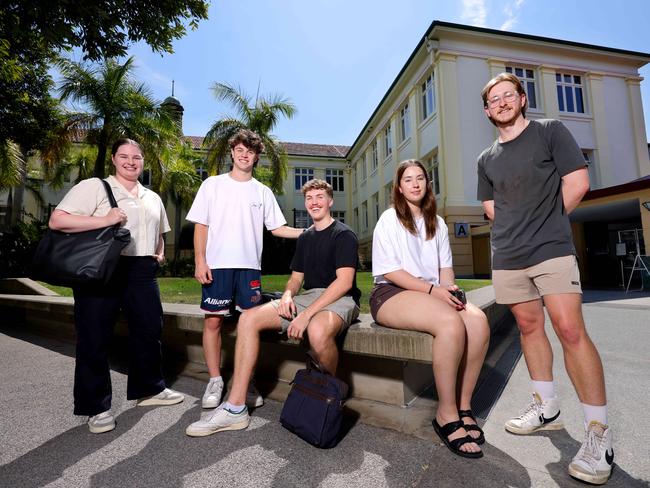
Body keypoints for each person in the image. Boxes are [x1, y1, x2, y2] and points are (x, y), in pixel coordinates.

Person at [477, 72, 612, 484]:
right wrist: (513, 229)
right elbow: (488, 205)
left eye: (506, 95)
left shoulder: (550, 131)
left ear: (521, 99)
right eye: (492, 99)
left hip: (551, 249)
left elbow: (578, 181)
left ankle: (598, 434)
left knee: (570, 329)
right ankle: (546, 407)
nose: (500, 102)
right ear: (487, 110)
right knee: (528, 327)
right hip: (508, 256)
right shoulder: (486, 159)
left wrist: (546, 224)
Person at [186, 178, 360, 437]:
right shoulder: (306, 237)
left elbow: (344, 282)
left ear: (330, 201)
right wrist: (289, 294)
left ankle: (329, 393)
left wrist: (306, 315)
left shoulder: (343, 234)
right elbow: (296, 278)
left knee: (317, 331)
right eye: (309, 198)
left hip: (340, 296)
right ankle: (235, 408)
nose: (314, 202)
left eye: (320, 197)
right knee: (249, 318)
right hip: (309, 296)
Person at [49, 138, 184, 434]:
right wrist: (106, 220)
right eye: (124, 156)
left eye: (137, 157)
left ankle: (149, 390)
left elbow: (160, 231)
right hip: (104, 268)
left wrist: (159, 253)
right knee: (94, 336)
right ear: (113, 159)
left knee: (149, 330)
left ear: (143, 161)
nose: (131, 161)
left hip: (142, 269)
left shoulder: (152, 196)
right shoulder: (96, 187)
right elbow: (57, 221)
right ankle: (96, 406)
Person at [370, 159, 489, 459]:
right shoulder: (389, 219)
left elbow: (445, 270)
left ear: (427, 183)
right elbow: (393, 272)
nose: (415, 183)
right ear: (399, 187)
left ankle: (464, 406)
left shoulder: (436, 222)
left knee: (478, 322)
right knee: (450, 324)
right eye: (408, 179)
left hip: (431, 293)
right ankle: (445, 414)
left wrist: (448, 290)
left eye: (420, 178)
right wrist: (435, 291)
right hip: (391, 293)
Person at [185, 129, 303, 411]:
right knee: (213, 322)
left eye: (250, 151)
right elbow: (202, 225)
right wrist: (200, 261)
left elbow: (277, 228)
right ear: (232, 152)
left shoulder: (262, 192)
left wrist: (310, 232)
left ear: (256, 157)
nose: (244, 154)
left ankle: (243, 382)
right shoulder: (212, 185)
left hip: (249, 269)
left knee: (247, 325)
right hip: (218, 266)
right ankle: (215, 380)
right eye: (240, 149)